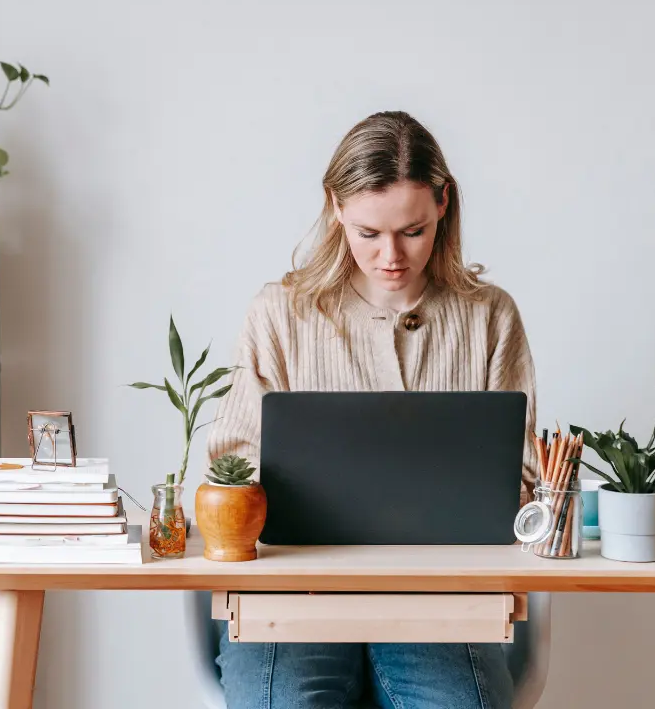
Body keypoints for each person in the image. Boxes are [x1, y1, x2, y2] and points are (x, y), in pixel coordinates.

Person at [205, 110, 538, 709]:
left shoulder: (490, 316)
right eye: (368, 233)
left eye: (411, 230)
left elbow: (523, 477)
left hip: (442, 602)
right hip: (291, 597)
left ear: (443, 203)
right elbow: (233, 461)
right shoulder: (278, 313)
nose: (391, 256)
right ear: (335, 206)